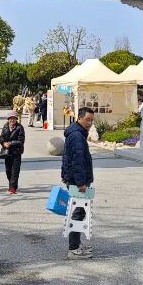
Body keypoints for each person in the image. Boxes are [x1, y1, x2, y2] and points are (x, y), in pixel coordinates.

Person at [62, 107, 95, 259]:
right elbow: (77, 161)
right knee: (78, 212)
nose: (90, 123)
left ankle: (77, 244)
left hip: (74, 179)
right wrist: (81, 182)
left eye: (92, 120)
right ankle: (73, 249)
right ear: (80, 118)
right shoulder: (77, 136)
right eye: (87, 120)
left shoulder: (77, 132)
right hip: (77, 182)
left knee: (79, 212)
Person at [0, 109, 25, 193]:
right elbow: (2, 137)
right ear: (8, 119)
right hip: (7, 153)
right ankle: (11, 185)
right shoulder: (5, 126)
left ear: (16, 119)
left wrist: (10, 143)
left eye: (14, 118)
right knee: (8, 171)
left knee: (15, 171)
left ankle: (13, 187)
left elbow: (21, 141)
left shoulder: (19, 127)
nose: (12, 120)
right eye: (10, 118)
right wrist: (3, 143)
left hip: (16, 152)